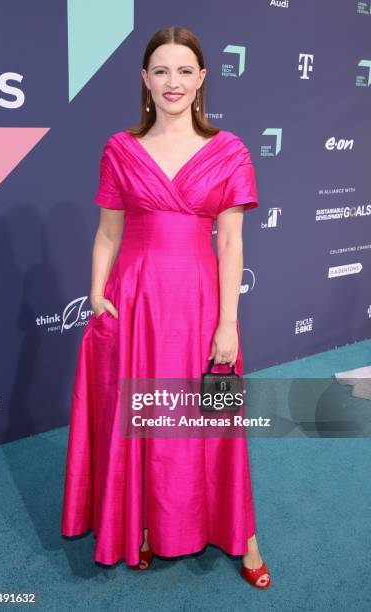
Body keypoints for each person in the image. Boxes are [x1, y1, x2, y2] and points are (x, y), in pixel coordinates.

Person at [61, 25, 271, 589]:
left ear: (202, 79)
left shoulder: (229, 151)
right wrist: (97, 291)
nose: (172, 82)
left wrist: (228, 323)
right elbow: (107, 232)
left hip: (203, 307)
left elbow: (231, 242)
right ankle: (145, 526)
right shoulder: (120, 149)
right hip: (135, 306)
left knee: (215, 420)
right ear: (145, 81)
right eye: (161, 71)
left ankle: (243, 536)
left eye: (184, 71)